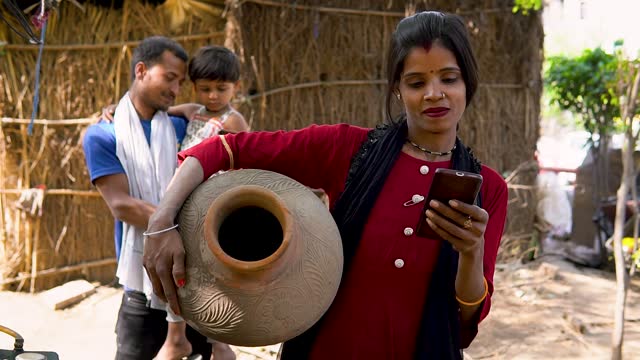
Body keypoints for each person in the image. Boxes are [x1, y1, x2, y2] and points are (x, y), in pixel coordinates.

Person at [143, 11, 508, 360]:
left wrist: (471, 251)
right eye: (416, 82)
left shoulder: (488, 190)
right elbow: (222, 149)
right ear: (397, 88)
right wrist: (161, 222)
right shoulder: (347, 149)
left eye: (449, 78)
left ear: (468, 82)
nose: (433, 93)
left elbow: (464, 323)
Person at [82, 36, 215, 360]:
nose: (175, 89)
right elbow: (122, 205)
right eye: (169, 78)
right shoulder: (103, 134)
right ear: (141, 70)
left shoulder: (181, 126)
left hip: (191, 279)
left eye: (181, 82)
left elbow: (223, 118)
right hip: (141, 283)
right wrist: (190, 227)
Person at [179, 45, 249, 150]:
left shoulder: (232, 120)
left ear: (236, 87)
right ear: (195, 88)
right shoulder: (193, 111)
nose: (213, 96)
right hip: (182, 165)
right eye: (205, 89)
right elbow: (164, 110)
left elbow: (245, 152)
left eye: (221, 89)